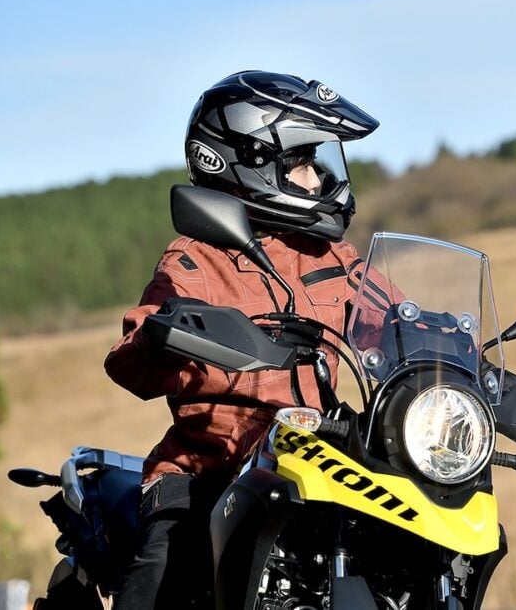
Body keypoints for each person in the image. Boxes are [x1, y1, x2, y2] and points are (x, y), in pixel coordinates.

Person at [103, 70, 380, 610]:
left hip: (315, 461)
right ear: (250, 163)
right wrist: (170, 334)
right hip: (208, 469)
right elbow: (129, 358)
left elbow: (393, 315)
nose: (318, 177)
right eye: (300, 161)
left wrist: (457, 345)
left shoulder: (333, 257)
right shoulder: (194, 258)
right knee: (167, 568)